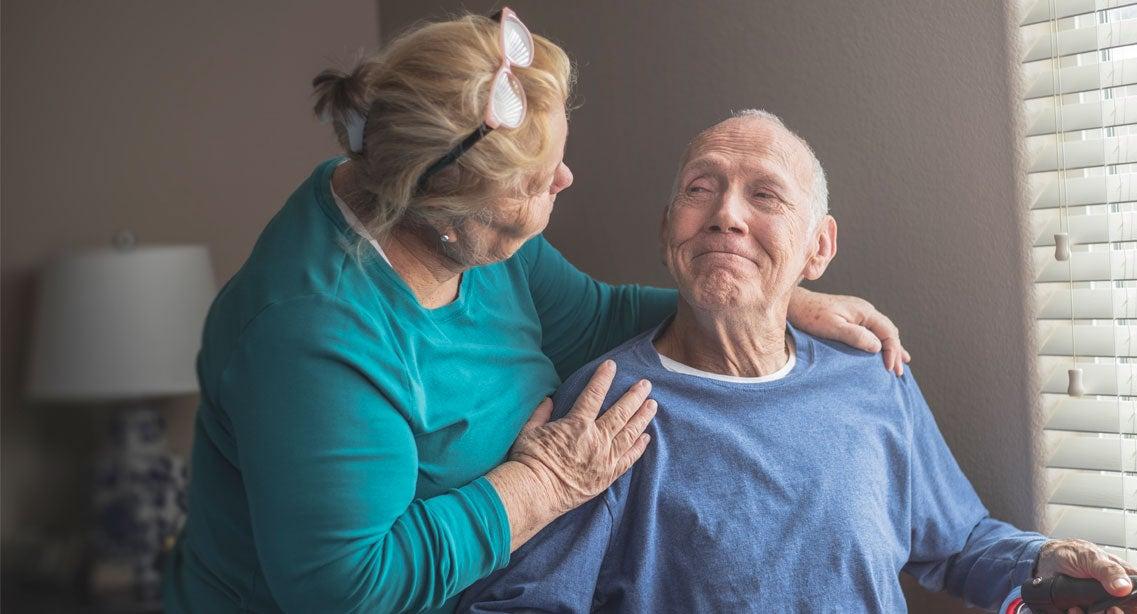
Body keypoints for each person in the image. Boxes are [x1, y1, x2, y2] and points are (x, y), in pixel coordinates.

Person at [162, 11, 911, 613]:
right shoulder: (311, 334)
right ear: (445, 208)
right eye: (533, 180)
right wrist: (541, 485)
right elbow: (348, 586)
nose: (564, 176)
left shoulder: (435, 210)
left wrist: (773, 298)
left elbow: (594, 316)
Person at [458, 111, 1137, 613]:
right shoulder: (608, 408)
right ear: (667, 229)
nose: (726, 214)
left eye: (764, 194)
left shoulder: (871, 377)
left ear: (819, 248)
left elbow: (957, 542)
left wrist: (1047, 562)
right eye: (700, 189)